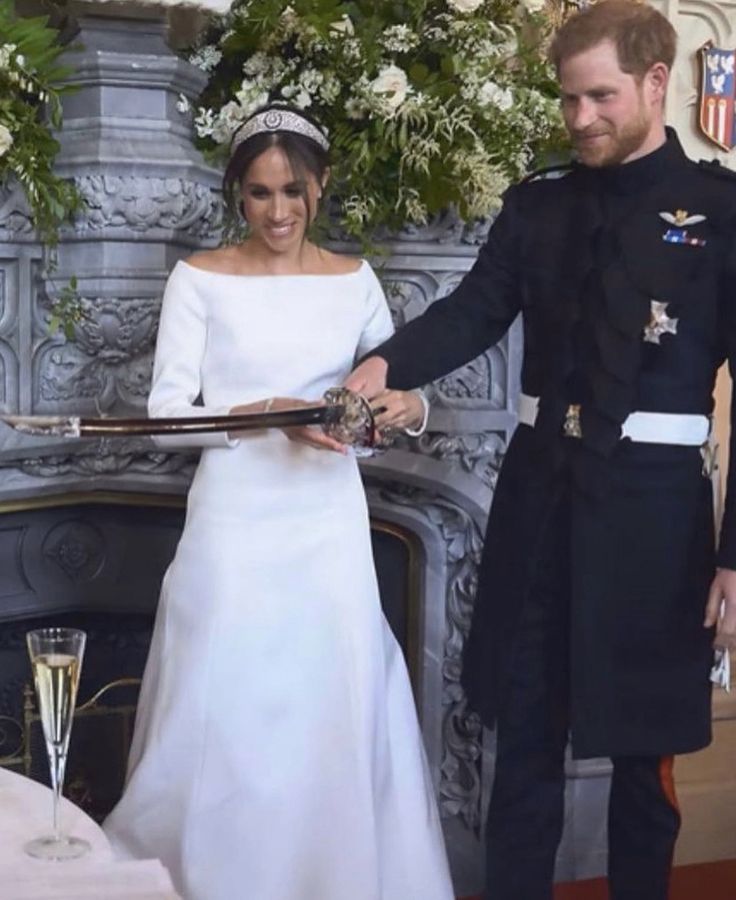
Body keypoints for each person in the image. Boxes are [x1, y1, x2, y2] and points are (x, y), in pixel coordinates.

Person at [346, 2, 736, 898]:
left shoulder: (721, 212)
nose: (581, 118)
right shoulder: (539, 205)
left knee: (644, 762)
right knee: (520, 738)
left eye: (600, 97)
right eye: (568, 101)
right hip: (539, 497)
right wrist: (381, 364)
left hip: (656, 514)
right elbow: (476, 309)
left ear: (653, 83)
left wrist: (734, 558)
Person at [103, 104, 453, 900]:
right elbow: (163, 420)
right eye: (259, 194)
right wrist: (254, 414)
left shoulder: (355, 282)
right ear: (238, 195)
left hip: (326, 525)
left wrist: (409, 412)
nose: (279, 212)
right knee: (222, 699)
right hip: (232, 524)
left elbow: (392, 397)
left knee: (327, 699)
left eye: (293, 190)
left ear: (321, 186)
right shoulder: (198, 280)